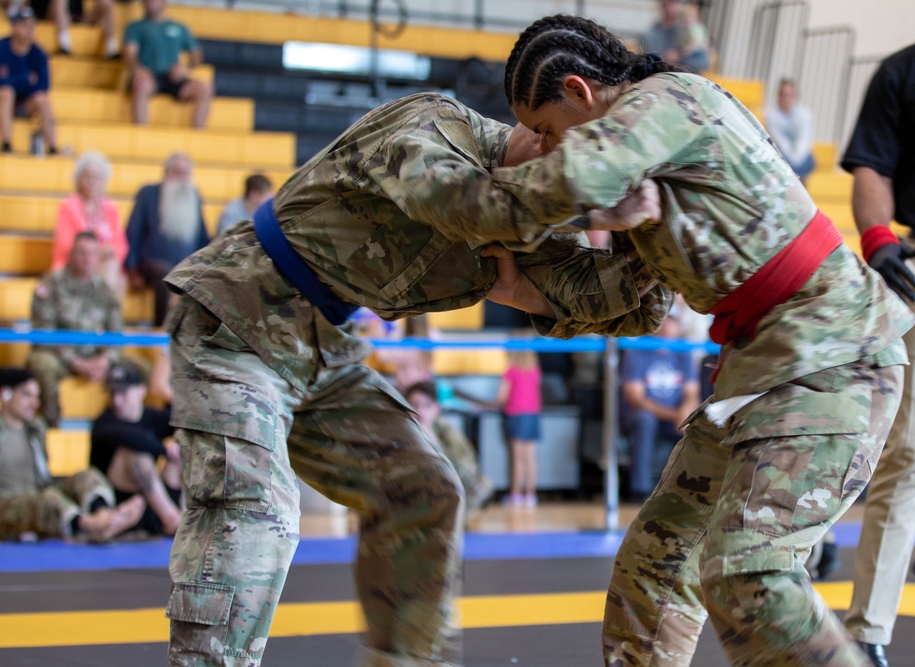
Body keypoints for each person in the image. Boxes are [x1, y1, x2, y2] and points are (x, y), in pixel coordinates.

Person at [161, 89, 671, 666]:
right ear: (539, 131)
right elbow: (457, 202)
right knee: (256, 511)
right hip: (239, 311)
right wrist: (593, 207)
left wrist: (661, 223)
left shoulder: (535, 221)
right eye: (579, 161)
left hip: (323, 350)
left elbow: (630, 307)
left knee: (424, 489)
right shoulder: (434, 124)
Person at [496, 14, 914, 666]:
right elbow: (635, 301)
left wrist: (493, 184)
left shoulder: (671, 101)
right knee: (657, 561)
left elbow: (573, 182)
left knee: (748, 571)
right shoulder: (648, 164)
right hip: (760, 368)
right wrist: (523, 291)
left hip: (832, 354)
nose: (547, 147)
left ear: (579, 91)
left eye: (547, 131)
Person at [841, 42, 915, 667]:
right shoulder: (902, 72)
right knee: (909, 452)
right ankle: (868, 631)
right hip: (913, 268)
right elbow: (872, 168)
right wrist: (879, 242)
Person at [0, 369, 145, 546]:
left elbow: (43, 476)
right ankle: (94, 526)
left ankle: (104, 517)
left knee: (87, 476)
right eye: (27, 395)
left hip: (35, 499)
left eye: (36, 396)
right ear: (5, 394)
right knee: (46, 500)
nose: (35, 403)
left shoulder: (36, 428)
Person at [27, 232, 123, 427]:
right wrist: (76, 362)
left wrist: (104, 361)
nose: (87, 259)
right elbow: (44, 334)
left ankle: (123, 430)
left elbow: (116, 334)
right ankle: (50, 426)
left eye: (92, 254)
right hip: (58, 357)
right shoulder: (51, 284)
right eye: (82, 253)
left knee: (140, 369)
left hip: (93, 355)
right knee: (42, 364)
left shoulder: (103, 289)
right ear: (71, 254)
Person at [90, 360, 182, 536]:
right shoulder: (104, 422)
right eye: (112, 393)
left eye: (123, 393)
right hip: (121, 505)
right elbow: (128, 436)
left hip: (155, 502)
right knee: (134, 453)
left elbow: (186, 420)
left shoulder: (152, 417)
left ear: (141, 390)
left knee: (183, 440)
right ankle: (172, 519)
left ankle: (187, 511)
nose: (116, 400)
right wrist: (164, 449)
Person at [619, 308, 699, 502]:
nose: (668, 326)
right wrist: (674, 415)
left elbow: (692, 392)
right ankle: (640, 489)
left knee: (698, 421)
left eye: (672, 321)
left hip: (675, 416)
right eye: (664, 320)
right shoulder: (637, 350)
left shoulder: (683, 351)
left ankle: (689, 489)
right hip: (641, 415)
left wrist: (685, 413)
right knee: (645, 420)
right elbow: (635, 398)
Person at [124, 152, 210, 327]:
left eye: (185, 173)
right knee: (167, 275)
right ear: (166, 172)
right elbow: (134, 231)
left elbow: (203, 237)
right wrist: (131, 268)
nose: (181, 178)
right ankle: (161, 330)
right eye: (177, 172)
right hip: (151, 264)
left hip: (187, 265)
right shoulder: (148, 193)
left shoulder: (194, 196)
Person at [0, 6, 58, 155]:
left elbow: (44, 85)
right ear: (13, 27)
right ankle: (6, 144)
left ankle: (53, 148)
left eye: (32, 25)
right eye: (24, 25)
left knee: (42, 99)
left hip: (20, 104)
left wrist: (11, 80)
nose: (29, 30)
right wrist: (26, 80)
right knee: (6, 93)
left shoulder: (39, 54)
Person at [404, 380, 493, 519]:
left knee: (482, 485)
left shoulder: (447, 433)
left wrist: (433, 442)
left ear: (436, 409)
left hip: (444, 488)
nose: (420, 411)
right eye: (415, 405)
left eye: (427, 406)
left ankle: (454, 518)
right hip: (411, 490)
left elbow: (465, 469)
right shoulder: (399, 430)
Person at [123, 0, 213, 128]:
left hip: (173, 77)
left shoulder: (179, 27)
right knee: (142, 83)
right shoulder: (135, 27)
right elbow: (129, 54)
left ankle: (197, 135)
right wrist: (138, 69)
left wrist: (185, 68)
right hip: (149, 76)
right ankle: (140, 131)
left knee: (205, 88)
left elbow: (196, 55)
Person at [52, 151, 128, 299]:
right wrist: (96, 251)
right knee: (107, 269)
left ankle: (100, 315)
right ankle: (102, 315)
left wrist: (110, 251)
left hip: (106, 265)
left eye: (97, 177)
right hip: (74, 262)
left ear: (104, 181)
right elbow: (65, 244)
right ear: (79, 179)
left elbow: (121, 246)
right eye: (87, 176)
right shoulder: (67, 206)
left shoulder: (111, 208)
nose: (92, 181)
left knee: (112, 266)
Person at [496, 348, 542, 508]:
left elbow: (501, 397)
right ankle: (530, 494)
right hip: (533, 415)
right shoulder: (535, 370)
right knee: (530, 457)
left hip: (516, 415)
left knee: (517, 457)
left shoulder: (510, 371)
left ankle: (515, 494)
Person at [765, 78, 817, 184]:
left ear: (795, 96)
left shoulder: (805, 115)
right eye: (784, 95)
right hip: (783, 156)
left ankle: (794, 184)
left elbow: (803, 142)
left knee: (809, 161)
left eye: (789, 95)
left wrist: (795, 161)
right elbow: (780, 143)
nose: (786, 99)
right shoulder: (771, 115)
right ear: (778, 96)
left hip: (800, 158)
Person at [30, 0, 118, 57]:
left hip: (77, 18)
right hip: (51, 16)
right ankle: (64, 45)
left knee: (106, 2)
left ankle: (111, 48)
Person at [639, 0, 683, 67]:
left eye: (675, 3)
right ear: (662, 5)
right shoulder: (649, 35)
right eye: (670, 3)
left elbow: (700, 63)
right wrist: (664, 57)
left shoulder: (687, 33)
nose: (674, 7)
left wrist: (681, 56)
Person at [676, 1, 711, 73]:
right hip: (698, 53)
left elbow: (694, 41)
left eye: (689, 17)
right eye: (684, 18)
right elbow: (706, 42)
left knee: (688, 68)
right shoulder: (698, 27)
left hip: (694, 54)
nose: (686, 20)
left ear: (696, 18)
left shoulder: (693, 28)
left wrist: (687, 50)